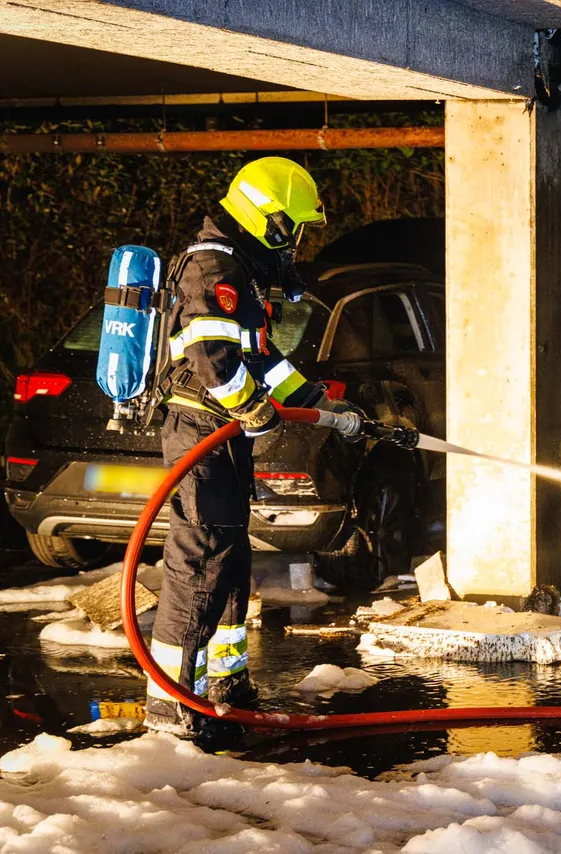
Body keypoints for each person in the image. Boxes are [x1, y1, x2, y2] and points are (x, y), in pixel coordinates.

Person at [144, 156, 360, 737]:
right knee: (200, 559)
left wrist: (319, 403)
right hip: (199, 433)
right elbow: (211, 357)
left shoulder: (241, 270)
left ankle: (227, 682)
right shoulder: (211, 265)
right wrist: (249, 406)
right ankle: (170, 703)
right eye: (294, 226)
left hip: (223, 434)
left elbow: (262, 358)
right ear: (270, 220)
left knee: (232, 559)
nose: (296, 240)